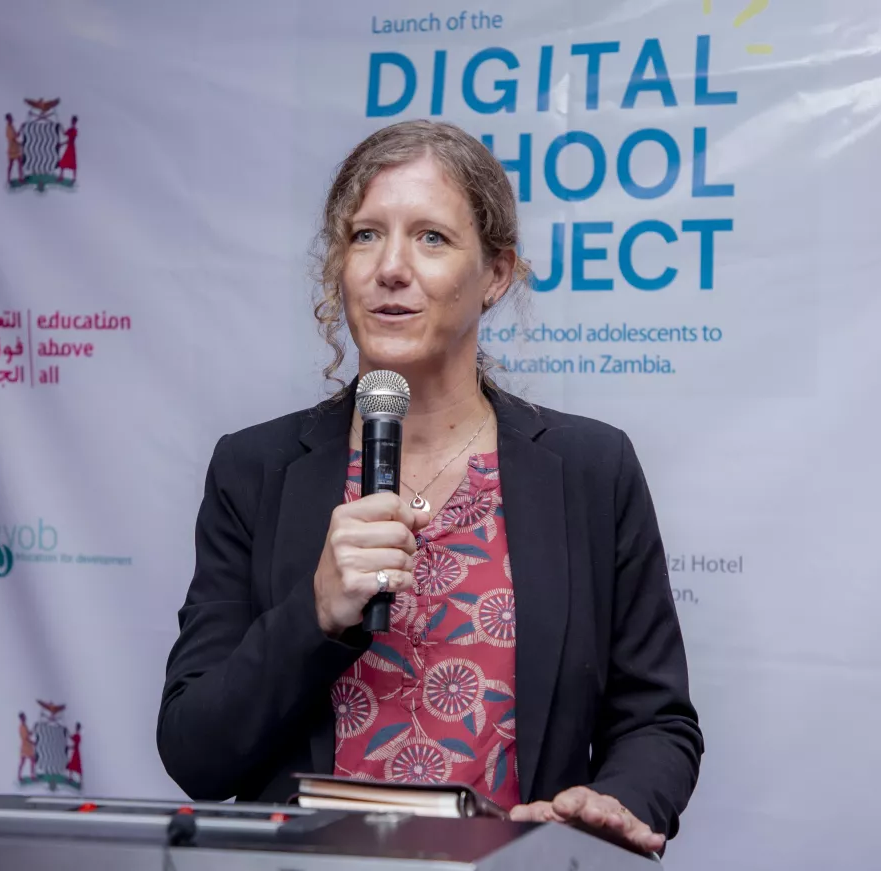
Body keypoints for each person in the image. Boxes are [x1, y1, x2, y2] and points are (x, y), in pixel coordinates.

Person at [156, 119, 703, 855]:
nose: (391, 267)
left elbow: (657, 722)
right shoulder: (255, 469)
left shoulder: (590, 469)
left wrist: (612, 804)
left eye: (431, 238)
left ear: (496, 274)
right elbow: (194, 751)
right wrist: (315, 615)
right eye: (365, 236)